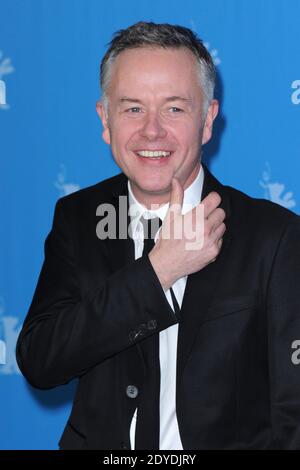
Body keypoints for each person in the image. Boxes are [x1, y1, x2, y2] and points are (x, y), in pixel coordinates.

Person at [16, 21, 300, 450]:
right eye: (132, 108)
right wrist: (160, 270)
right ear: (105, 119)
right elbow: (42, 360)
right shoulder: (77, 219)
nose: (151, 131)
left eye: (174, 108)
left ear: (207, 121)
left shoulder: (273, 236)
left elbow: (292, 410)